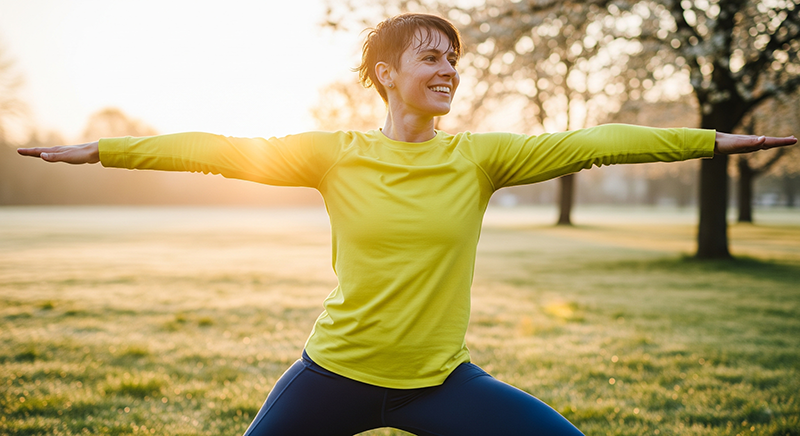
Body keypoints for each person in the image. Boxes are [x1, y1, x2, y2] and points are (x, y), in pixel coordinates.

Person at [18, 13, 796, 436]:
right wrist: (105, 150)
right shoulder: (334, 156)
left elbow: (596, 144)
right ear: (388, 74)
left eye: (454, 57)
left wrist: (715, 141)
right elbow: (220, 151)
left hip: (441, 384)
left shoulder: (480, 159)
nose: (449, 68)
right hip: (332, 376)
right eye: (431, 58)